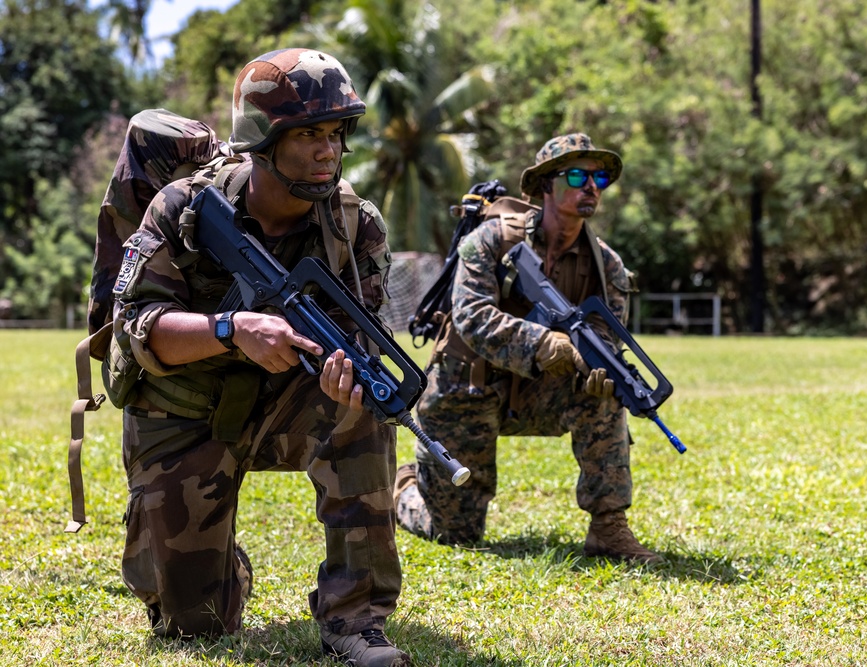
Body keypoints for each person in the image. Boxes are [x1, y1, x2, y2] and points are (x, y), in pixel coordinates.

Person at [106, 48, 411, 666]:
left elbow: (366, 329)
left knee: (366, 404)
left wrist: (342, 379)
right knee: (192, 623)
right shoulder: (184, 208)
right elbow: (135, 328)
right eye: (307, 135)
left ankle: (355, 619)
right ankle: (214, 569)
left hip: (292, 401)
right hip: (187, 408)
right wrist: (231, 328)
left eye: (335, 134)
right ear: (261, 141)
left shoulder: (356, 226)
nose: (328, 151)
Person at [394, 133, 663, 565]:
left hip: (542, 393)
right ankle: (406, 488)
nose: (590, 185)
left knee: (609, 395)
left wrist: (598, 373)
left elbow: (605, 337)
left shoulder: (606, 265)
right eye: (576, 175)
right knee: (454, 533)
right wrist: (545, 342)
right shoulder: (490, 241)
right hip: (466, 391)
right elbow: (471, 317)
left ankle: (608, 527)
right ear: (545, 186)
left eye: (599, 178)